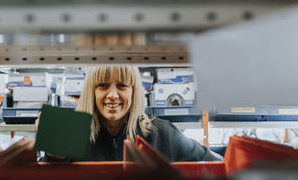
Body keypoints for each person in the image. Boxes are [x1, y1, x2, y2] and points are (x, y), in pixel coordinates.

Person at [37, 66, 221, 162]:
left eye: (122, 85)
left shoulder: (162, 133)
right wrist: (53, 155)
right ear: (91, 91)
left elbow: (215, 165)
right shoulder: (72, 133)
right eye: (103, 85)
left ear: (134, 91)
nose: (113, 95)